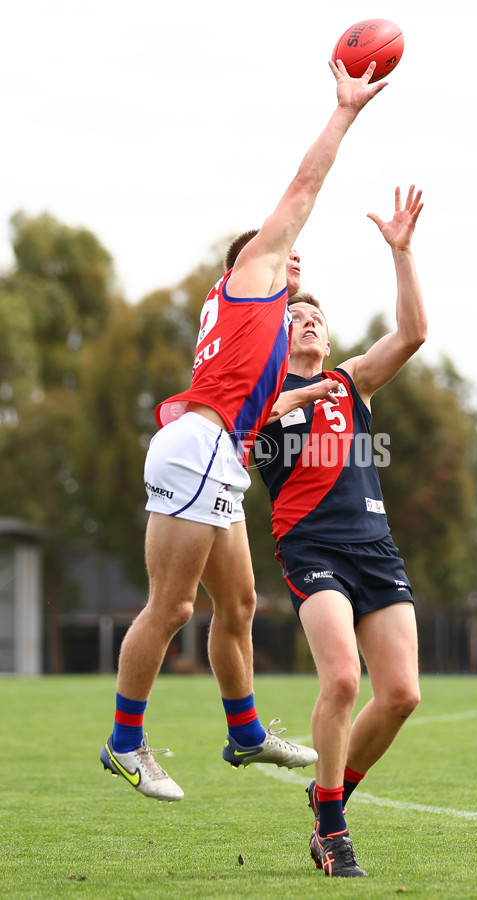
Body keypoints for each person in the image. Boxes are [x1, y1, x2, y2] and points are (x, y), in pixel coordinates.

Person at [99, 59, 388, 803]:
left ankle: (245, 732)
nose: (291, 251)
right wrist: (345, 112)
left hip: (215, 454)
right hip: (198, 451)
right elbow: (303, 187)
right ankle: (125, 742)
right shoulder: (253, 274)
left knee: (239, 605)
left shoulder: (249, 324)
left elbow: (256, 411)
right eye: (275, 246)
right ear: (247, 262)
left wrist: (307, 395)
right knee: (173, 607)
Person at [257, 185, 426, 875]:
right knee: (343, 680)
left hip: (375, 551)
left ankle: (329, 795)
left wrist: (402, 253)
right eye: (295, 317)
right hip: (312, 549)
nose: (307, 322)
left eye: (315, 316)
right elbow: (252, 418)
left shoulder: (351, 384)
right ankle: (332, 831)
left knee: (402, 695)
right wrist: (278, 293)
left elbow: (413, 334)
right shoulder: (260, 396)